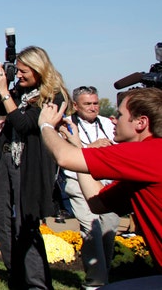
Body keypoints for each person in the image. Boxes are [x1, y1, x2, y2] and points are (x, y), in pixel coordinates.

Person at [39, 87, 162, 279]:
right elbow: (98, 203)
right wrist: (77, 145)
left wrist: (45, 125)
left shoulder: (146, 152)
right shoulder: (142, 168)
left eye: (120, 115)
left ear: (141, 122)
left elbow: (63, 157)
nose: (113, 118)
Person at [0, 46, 69, 289]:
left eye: (24, 71)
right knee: (0, 217)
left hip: (30, 163)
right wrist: (8, 88)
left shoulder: (54, 96)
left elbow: (25, 124)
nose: (20, 75)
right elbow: (1, 109)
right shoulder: (18, 91)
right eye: (18, 70)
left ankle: (37, 284)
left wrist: (5, 92)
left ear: (39, 70)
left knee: (26, 224)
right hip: (7, 159)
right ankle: (17, 275)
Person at [59, 86, 119, 289]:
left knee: (109, 228)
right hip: (77, 180)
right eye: (88, 104)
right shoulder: (66, 124)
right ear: (75, 105)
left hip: (106, 181)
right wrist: (90, 149)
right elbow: (64, 153)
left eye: (95, 103)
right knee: (91, 227)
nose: (93, 108)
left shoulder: (107, 124)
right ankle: (95, 282)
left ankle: (104, 274)